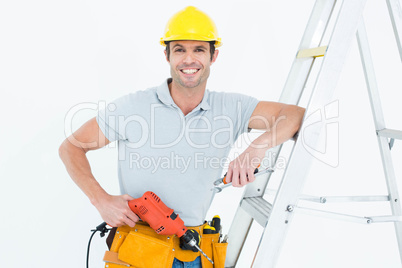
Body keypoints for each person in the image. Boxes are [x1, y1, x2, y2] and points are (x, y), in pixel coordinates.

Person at [59, 6, 305, 268]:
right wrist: (101, 200)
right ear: (167, 55)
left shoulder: (232, 108)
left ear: (214, 56)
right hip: (138, 250)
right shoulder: (134, 107)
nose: (189, 60)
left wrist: (259, 146)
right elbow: (71, 147)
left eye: (199, 49)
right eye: (180, 50)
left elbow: (295, 115)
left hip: (193, 251)